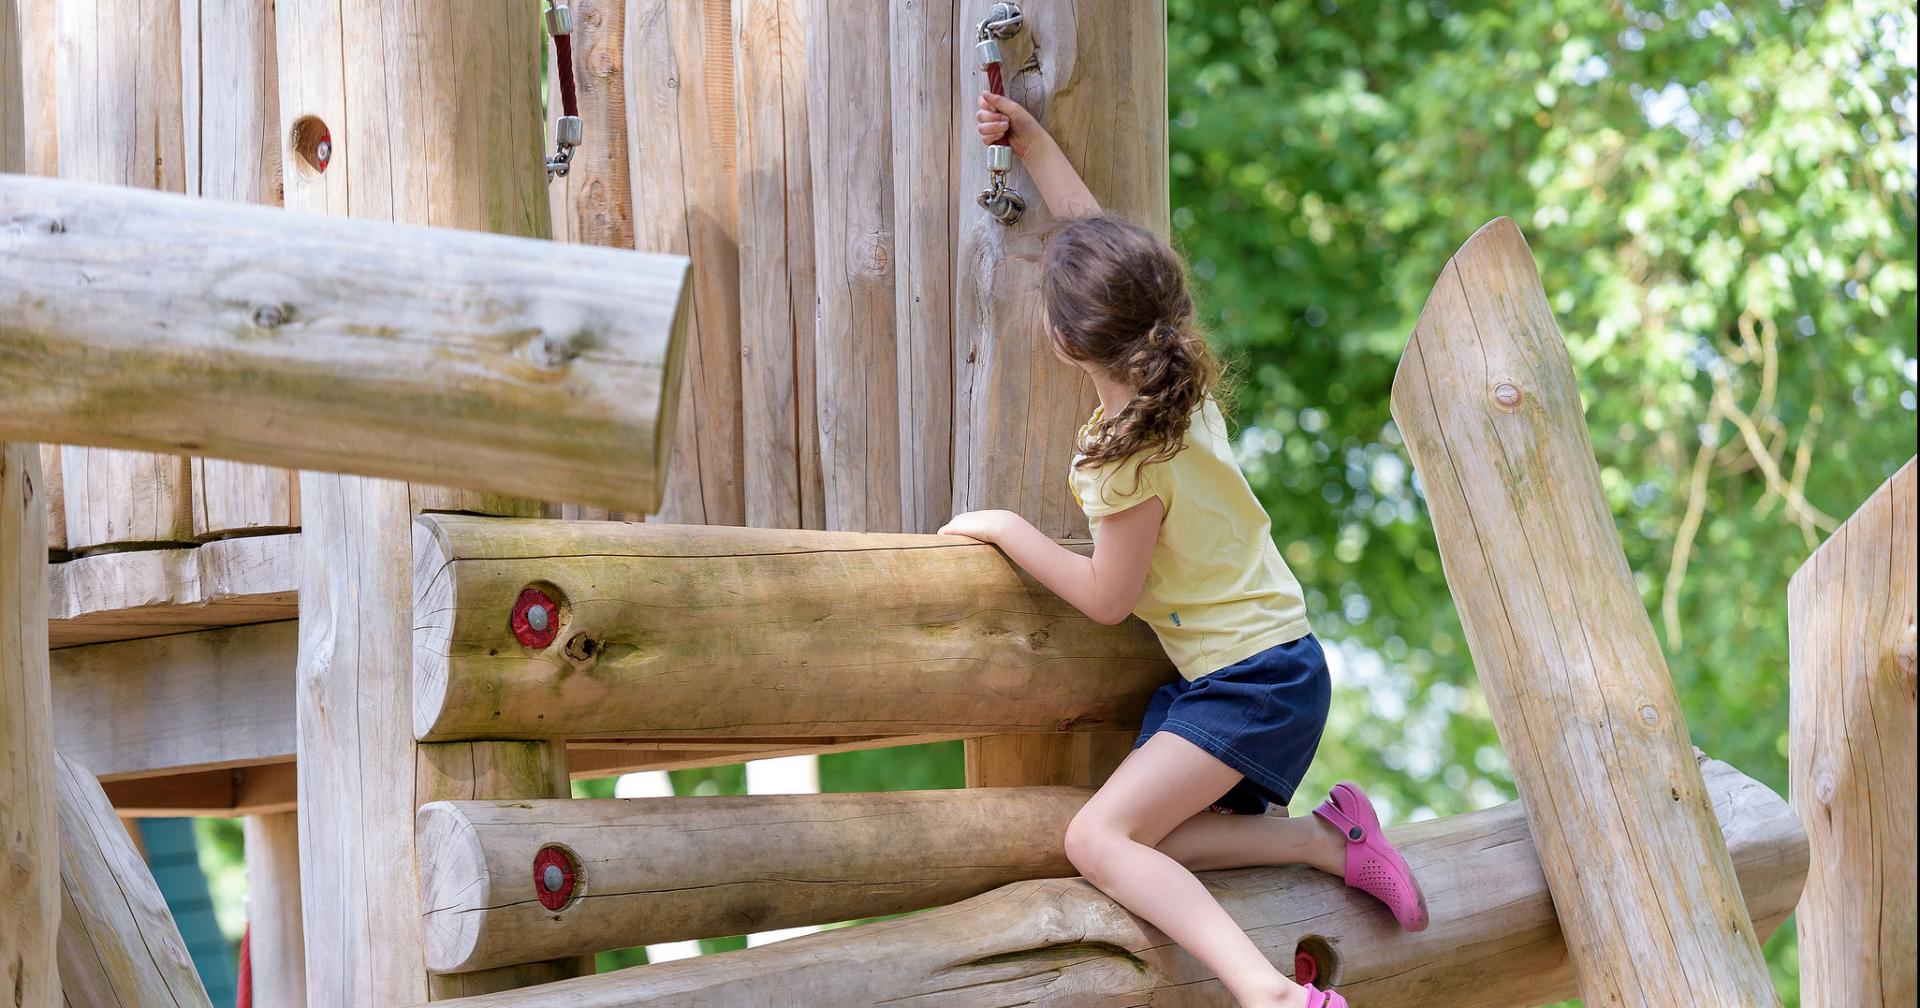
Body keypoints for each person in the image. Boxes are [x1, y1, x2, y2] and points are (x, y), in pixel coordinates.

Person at [938, 91, 1429, 1008]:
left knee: (1096, 842)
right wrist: (1035, 140)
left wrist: (1007, 532)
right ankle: (1330, 841)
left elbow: (1105, 599)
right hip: (1278, 669)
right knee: (1151, 841)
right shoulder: (1183, 388)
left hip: (1251, 683)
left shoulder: (1122, 460)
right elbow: (1102, 242)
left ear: (1059, 342)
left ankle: (1269, 992)